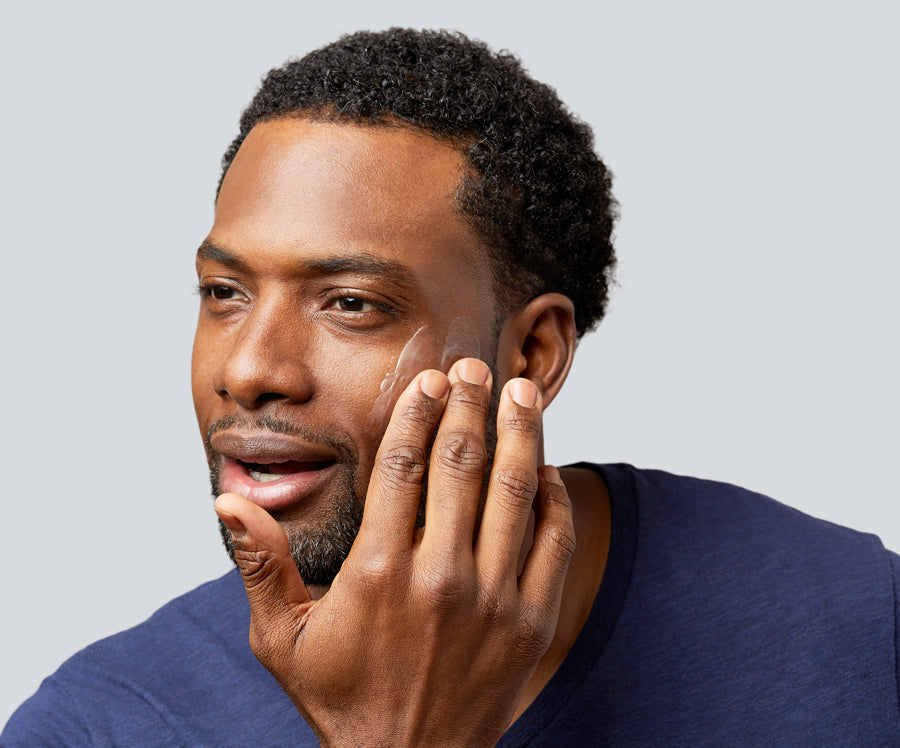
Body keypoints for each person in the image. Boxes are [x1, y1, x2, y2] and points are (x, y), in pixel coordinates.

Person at [3, 27, 898, 746]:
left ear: (535, 353)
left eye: (351, 303)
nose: (248, 369)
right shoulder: (100, 724)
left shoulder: (859, 626)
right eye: (225, 294)